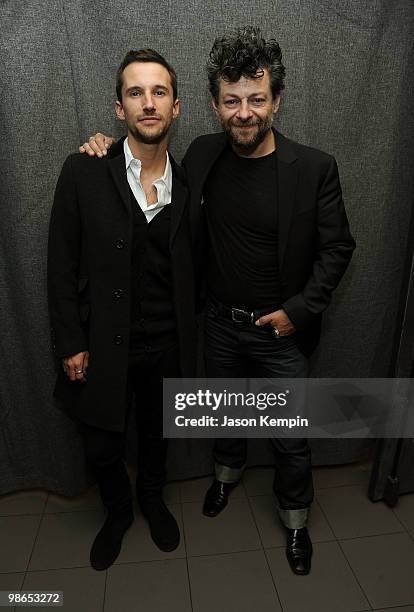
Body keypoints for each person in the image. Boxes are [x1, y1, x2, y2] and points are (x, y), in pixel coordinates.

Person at [79, 26, 356, 575]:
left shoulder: (315, 169)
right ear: (213, 105)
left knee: (289, 435)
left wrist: (298, 312)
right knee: (226, 415)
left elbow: (339, 247)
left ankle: (296, 520)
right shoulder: (202, 155)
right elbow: (140, 161)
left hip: (282, 331)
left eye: (257, 99)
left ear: (277, 99)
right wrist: (102, 146)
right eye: (232, 101)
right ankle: (226, 479)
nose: (244, 113)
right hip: (218, 326)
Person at [48, 49, 197, 571]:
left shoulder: (193, 180)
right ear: (119, 108)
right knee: (102, 444)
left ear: (176, 107)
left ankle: (151, 499)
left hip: (168, 343)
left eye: (159, 92)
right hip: (102, 344)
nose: (148, 103)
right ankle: (117, 512)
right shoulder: (85, 170)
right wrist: (71, 342)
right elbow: (60, 265)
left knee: (157, 436)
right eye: (136, 93)